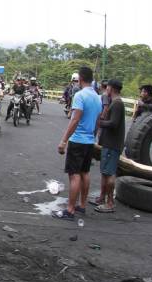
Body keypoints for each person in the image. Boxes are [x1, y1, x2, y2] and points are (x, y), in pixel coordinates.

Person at [53, 66, 102, 221]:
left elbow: (75, 119)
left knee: (74, 176)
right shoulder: (97, 97)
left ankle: (70, 210)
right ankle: (82, 205)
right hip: (89, 141)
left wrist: (63, 140)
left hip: (78, 140)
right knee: (85, 173)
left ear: (80, 79)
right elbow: (97, 121)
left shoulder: (80, 95)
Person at [93, 79, 125, 213]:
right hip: (109, 143)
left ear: (111, 88)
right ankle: (102, 198)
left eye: (108, 87)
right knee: (105, 172)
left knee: (110, 173)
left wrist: (100, 122)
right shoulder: (115, 103)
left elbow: (114, 123)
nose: (106, 89)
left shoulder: (117, 104)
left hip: (112, 144)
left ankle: (110, 202)